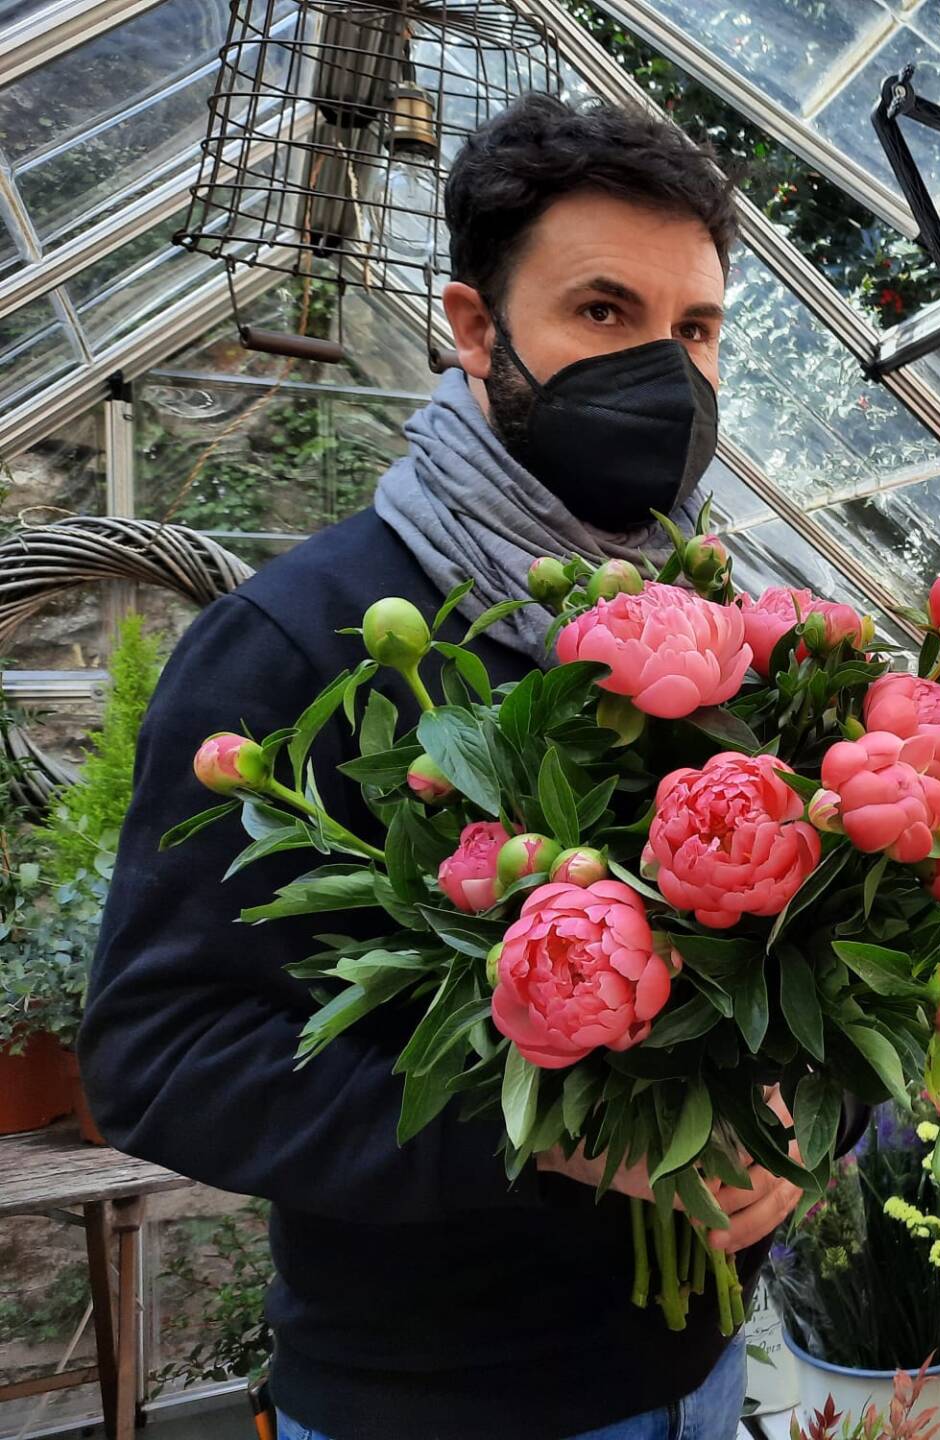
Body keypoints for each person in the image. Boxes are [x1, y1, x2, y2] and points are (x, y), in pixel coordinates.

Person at [80, 95, 825, 1440]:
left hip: (704, 1373)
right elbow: (162, 1057)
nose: (664, 373)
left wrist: (790, 1123)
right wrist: (549, 1131)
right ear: (473, 327)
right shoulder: (297, 643)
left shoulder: (722, 640)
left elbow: (778, 968)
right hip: (435, 1405)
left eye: (695, 329)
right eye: (603, 312)